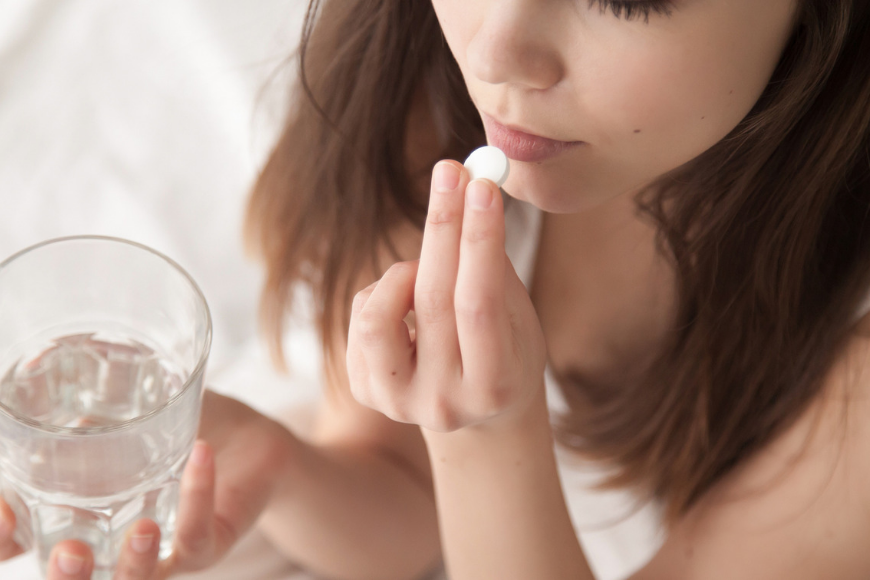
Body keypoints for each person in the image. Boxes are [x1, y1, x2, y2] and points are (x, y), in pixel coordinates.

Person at [4, 0, 870, 578]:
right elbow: (409, 501)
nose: (495, 52)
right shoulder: (417, 76)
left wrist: (491, 441)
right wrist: (284, 467)